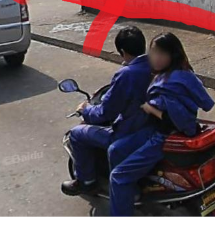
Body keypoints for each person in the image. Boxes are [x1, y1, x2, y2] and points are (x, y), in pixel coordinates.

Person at [104, 32, 214, 216]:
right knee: (115, 150)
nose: (156, 58)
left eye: (162, 54)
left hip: (164, 137)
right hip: (156, 129)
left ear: (173, 55)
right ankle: (133, 192)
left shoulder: (172, 82)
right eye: (153, 53)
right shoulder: (179, 74)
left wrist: (150, 109)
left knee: (117, 177)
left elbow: (177, 118)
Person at [61, 27, 153, 207]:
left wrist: (86, 109)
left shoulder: (126, 74)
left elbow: (105, 112)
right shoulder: (158, 65)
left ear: (122, 51)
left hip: (129, 132)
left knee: (77, 134)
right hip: (152, 128)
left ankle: (87, 181)